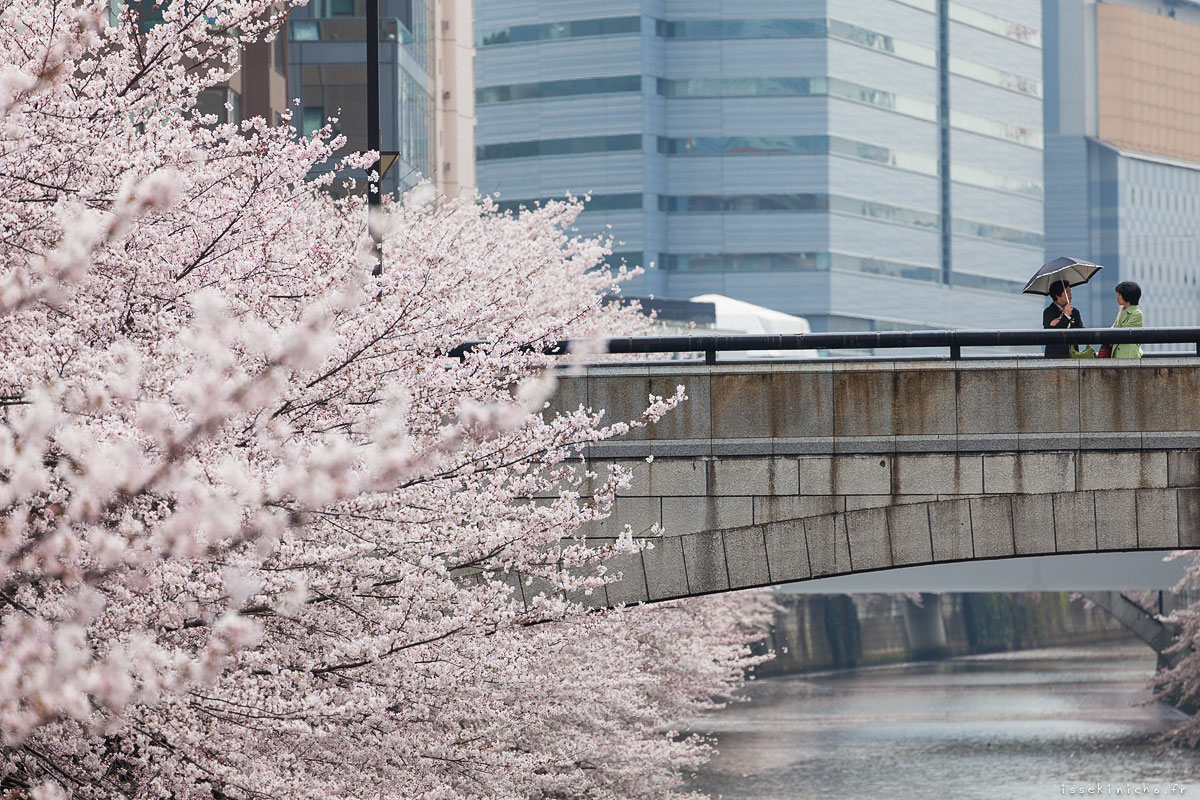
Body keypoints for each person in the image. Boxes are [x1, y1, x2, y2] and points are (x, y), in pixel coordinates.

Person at [1042, 279, 1084, 358]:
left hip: (1073, 356)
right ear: (1057, 295)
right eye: (1066, 292)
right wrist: (1066, 316)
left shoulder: (1074, 312)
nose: (1070, 294)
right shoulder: (1049, 312)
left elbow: (1081, 331)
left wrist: (1060, 322)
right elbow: (1053, 335)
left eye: (1070, 291)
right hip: (1054, 357)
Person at [1111, 281, 1143, 358]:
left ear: (1127, 295)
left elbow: (1123, 333)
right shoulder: (1122, 311)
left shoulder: (1136, 313)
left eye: (1119, 294)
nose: (1117, 297)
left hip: (1129, 355)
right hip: (1117, 354)